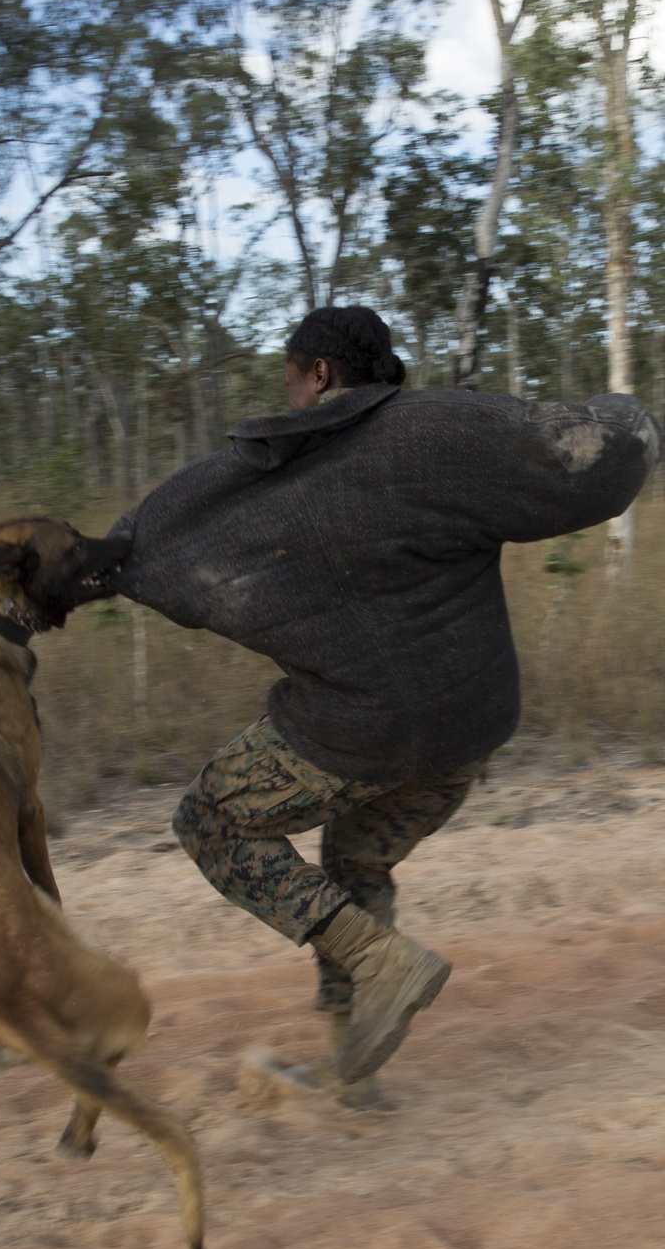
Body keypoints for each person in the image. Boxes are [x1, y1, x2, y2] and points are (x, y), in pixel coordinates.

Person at [106, 305, 660, 1105]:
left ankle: (382, 964)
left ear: (320, 374)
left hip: (354, 732)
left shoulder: (277, 473)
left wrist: (67, 573)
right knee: (356, 860)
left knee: (212, 821)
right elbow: (591, 457)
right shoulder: (447, 429)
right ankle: (350, 1067)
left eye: (291, 377)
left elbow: (159, 546)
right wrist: (626, 417)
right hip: (469, 728)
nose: (288, 394)